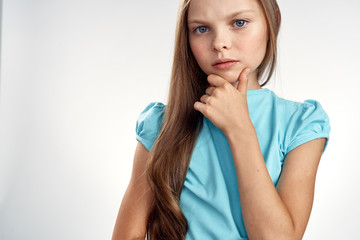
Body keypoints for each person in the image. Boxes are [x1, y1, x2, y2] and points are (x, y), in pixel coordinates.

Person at [112, 0, 331, 239]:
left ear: (273, 21)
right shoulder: (161, 126)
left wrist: (240, 129)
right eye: (202, 29)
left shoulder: (301, 124)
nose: (219, 44)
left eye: (239, 23)